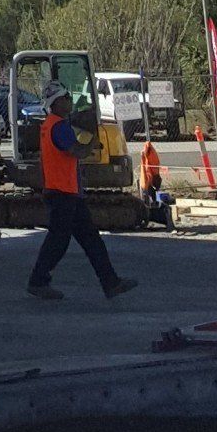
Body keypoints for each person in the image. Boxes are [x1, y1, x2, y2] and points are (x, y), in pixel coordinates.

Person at [27, 81, 135, 299]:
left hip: (65, 192)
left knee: (89, 239)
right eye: (66, 98)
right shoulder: (59, 126)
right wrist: (93, 140)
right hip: (63, 193)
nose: (70, 101)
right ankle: (38, 281)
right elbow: (77, 152)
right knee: (60, 241)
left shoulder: (50, 124)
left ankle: (110, 282)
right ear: (56, 102)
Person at [138, 134, 172, 228]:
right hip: (149, 180)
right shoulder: (149, 155)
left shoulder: (148, 156)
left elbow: (152, 170)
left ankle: (151, 215)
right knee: (149, 198)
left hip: (150, 180)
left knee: (151, 198)